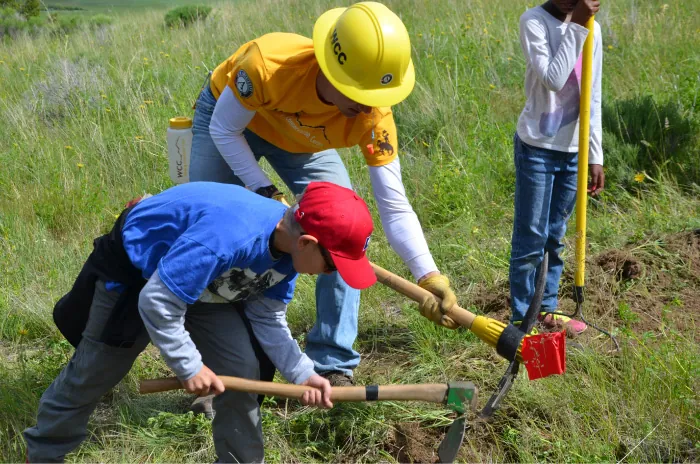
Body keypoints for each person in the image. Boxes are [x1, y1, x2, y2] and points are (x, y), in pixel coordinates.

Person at [189, 1, 458, 389]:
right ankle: (208, 367)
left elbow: (394, 207)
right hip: (232, 125)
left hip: (303, 142)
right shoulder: (267, 65)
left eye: (374, 95)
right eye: (357, 91)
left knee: (344, 229)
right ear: (330, 66)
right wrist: (264, 192)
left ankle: (331, 361)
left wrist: (428, 274)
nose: (367, 104)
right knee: (213, 227)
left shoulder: (371, 116)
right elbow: (225, 131)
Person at [24, 181, 377, 463]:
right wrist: (189, 365)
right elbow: (158, 300)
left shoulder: (289, 253)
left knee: (241, 373)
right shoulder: (228, 239)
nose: (331, 274)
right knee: (96, 371)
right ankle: (43, 454)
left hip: (205, 284)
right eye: (332, 266)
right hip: (140, 275)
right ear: (306, 242)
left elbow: (267, 317)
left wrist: (304, 374)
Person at [509, 0, 604, 334]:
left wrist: (595, 154)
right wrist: (577, 25)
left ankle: (547, 309)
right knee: (531, 236)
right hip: (538, 147)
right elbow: (552, 78)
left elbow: (592, 95)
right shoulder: (533, 22)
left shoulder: (592, 27)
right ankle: (522, 318)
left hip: (573, 151)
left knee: (555, 235)